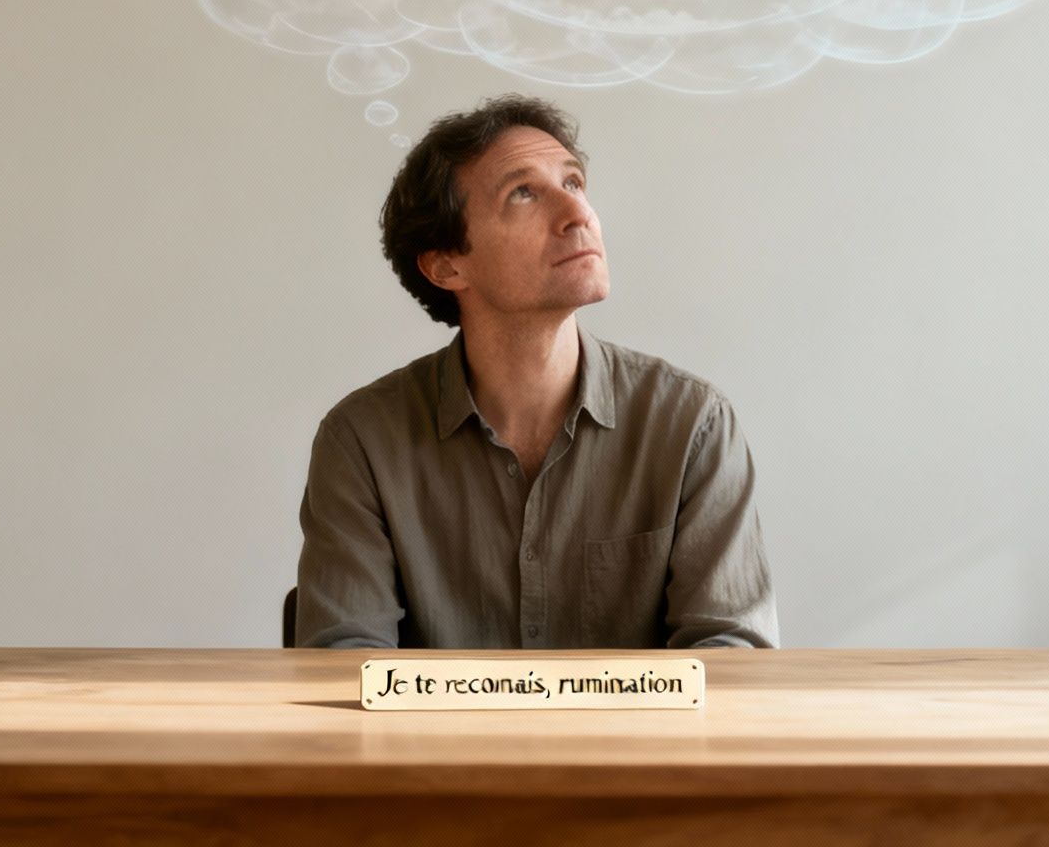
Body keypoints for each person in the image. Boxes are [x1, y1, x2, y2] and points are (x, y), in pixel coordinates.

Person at [294, 94, 778, 649]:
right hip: (439, 741)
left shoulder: (692, 425)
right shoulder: (362, 442)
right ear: (446, 264)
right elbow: (347, 666)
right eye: (523, 192)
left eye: (573, 183)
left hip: (638, 741)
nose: (579, 215)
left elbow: (731, 665)